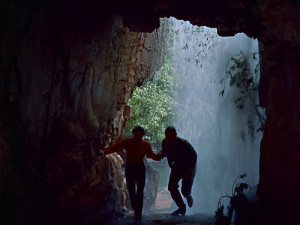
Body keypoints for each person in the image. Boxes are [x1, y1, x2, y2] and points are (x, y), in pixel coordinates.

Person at [100, 126, 161, 221]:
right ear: (133, 134)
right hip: (130, 167)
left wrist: (159, 156)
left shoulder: (145, 144)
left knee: (140, 191)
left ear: (143, 135)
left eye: (140, 135)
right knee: (132, 191)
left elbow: (150, 155)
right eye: (136, 135)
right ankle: (136, 210)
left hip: (140, 167)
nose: (138, 137)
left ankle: (138, 214)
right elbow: (114, 148)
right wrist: (103, 151)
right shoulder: (128, 141)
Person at [157, 126, 197, 216]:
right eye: (166, 135)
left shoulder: (184, 143)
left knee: (185, 191)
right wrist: (161, 153)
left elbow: (193, 155)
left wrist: (190, 169)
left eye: (170, 135)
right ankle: (182, 207)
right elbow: (165, 151)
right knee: (171, 187)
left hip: (188, 168)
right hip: (177, 167)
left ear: (175, 135)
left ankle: (188, 196)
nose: (168, 138)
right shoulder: (165, 142)